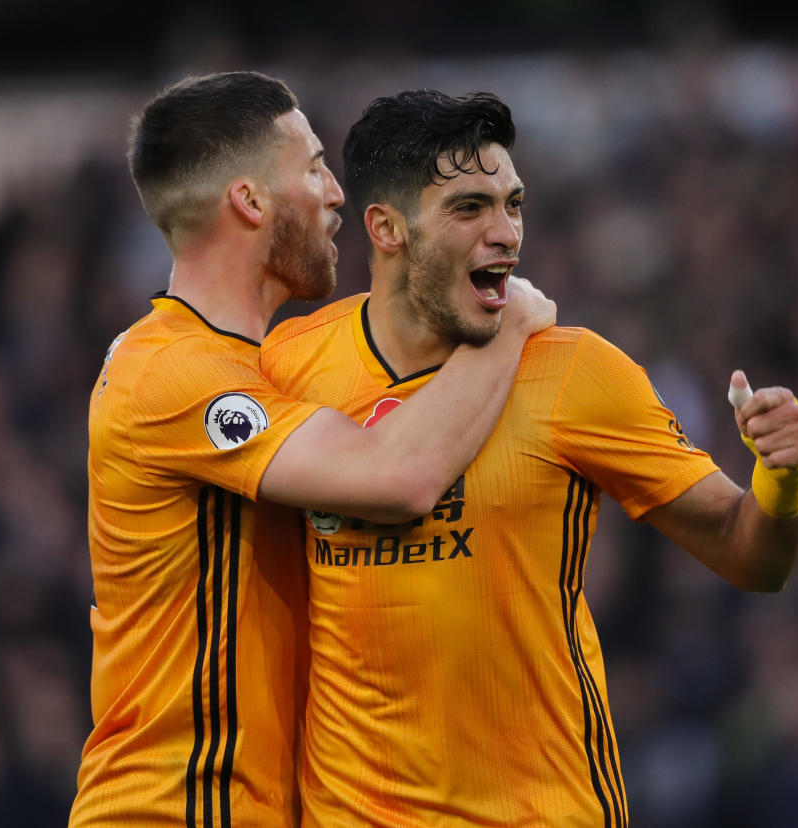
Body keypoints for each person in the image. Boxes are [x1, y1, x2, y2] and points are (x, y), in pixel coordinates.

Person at [260, 90, 798, 826]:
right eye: (469, 209)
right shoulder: (288, 369)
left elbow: (753, 558)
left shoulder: (575, 372)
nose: (506, 234)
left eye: (512, 204)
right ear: (387, 228)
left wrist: (784, 480)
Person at [69, 74, 555, 828]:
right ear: (251, 202)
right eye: (315, 166)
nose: (336, 193)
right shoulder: (170, 374)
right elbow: (399, 475)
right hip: (173, 810)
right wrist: (510, 323)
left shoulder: (255, 370)